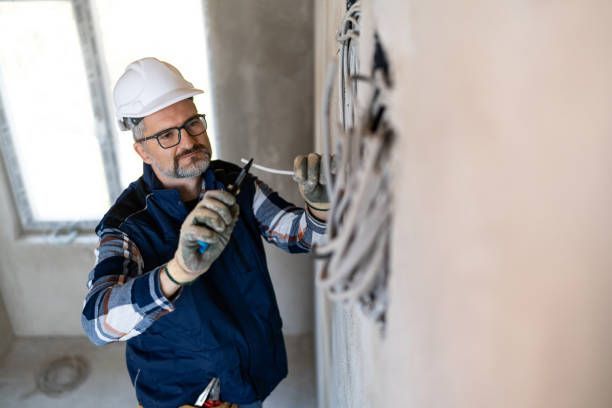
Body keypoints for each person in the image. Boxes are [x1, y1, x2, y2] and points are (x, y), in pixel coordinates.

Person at [81, 57, 329, 407]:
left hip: (247, 377)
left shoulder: (234, 182)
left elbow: (301, 235)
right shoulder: (128, 224)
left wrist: (319, 208)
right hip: (183, 396)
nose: (188, 142)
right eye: (167, 134)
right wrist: (176, 273)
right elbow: (97, 322)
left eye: (193, 123)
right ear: (142, 150)